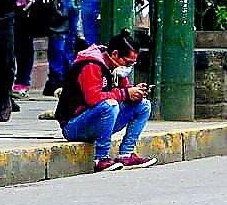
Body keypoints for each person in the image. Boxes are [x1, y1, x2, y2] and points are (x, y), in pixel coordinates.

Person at [55, 33, 155, 171]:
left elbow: (124, 91)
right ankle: (101, 158)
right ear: (115, 54)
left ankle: (126, 154)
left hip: (97, 121)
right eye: (127, 62)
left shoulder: (117, 70)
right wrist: (126, 93)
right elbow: (94, 98)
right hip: (74, 126)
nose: (129, 67)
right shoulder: (91, 64)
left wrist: (135, 93)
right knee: (110, 105)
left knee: (143, 105)